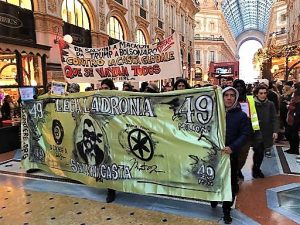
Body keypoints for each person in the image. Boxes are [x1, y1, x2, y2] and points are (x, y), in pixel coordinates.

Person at [211, 87, 251, 224]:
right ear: (221, 98)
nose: (229, 98)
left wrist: (232, 148)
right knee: (215, 178)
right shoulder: (215, 112)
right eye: (226, 95)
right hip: (214, 154)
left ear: (235, 97)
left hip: (230, 155)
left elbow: (245, 134)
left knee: (230, 183)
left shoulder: (241, 116)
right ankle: (214, 197)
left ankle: (226, 210)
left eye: (232, 95)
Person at [252, 84, 279, 178]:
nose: (263, 95)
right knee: (258, 151)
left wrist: (275, 131)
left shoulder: (270, 104)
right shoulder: (252, 104)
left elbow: (274, 117)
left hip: (266, 132)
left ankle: (257, 168)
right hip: (255, 132)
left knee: (262, 151)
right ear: (256, 94)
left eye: (264, 93)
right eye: (261, 93)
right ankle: (255, 169)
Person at [99, 78, 116, 203]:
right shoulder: (97, 101)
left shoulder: (118, 99)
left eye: (106, 88)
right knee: (108, 162)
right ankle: (111, 190)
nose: (104, 90)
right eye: (102, 88)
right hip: (105, 138)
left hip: (116, 138)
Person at [285, 82, 300, 155]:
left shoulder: (298, 97)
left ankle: (295, 149)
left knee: (293, 134)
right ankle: (292, 148)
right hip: (291, 117)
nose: (292, 88)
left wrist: (288, 106)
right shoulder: (294, 95)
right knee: (290, 134)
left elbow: (296, 108)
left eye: (293, 87)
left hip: (295, 118)